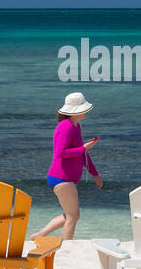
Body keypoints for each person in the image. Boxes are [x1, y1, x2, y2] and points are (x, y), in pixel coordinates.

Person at [35, 92, 101, 240]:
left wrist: (95, 174)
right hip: (61, 178)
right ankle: (66, 248)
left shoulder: (76, 126)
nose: (86, 111)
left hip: (63, 178)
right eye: (84, 108)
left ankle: (39, 236)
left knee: (71, 215)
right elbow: (60, 152)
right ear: (76, 111)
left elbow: (81, 154)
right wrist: (84, 147)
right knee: (72, 216)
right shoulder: (65, 126)